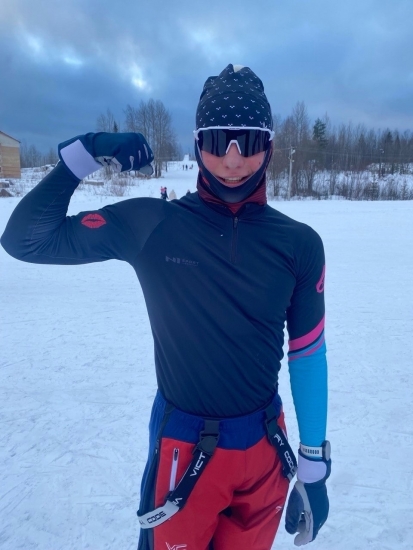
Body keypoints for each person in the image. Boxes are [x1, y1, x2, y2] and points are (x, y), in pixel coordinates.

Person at [1, 64, 331, 550]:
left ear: (270, 146)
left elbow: (307, 354)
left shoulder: (299, 244)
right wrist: (86, 152)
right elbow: (25, 239)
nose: (233, 158)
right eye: (217, 140)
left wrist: (314, 466)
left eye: (248, 141)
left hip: (265, 448)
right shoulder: (152, 224)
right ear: (197, 144)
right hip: (185, 447)